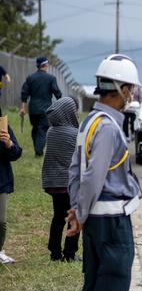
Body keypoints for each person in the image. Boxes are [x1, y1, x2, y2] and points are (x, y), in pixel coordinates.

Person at [65, 54, 142, 291]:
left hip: (96, 218)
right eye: (131, 89)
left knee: (96, 279)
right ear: (121, 89)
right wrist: (79, 214)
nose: (133, 96)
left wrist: (77, 209)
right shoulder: (109, 127)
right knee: (113, 279)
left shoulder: (90, 121)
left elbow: (75, 171)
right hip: (111, 219)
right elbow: (94, 175)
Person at [41, 97, 81, 261]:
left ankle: (55, 253)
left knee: (58, 217)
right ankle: (70, 254)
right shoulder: (75, 133)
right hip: (71, 183)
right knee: (75, 217)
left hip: (54, 183)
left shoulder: (51, 132)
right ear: (69, 113)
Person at [19, 56, 62, 156]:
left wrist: (22, 107)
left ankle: (37, 147)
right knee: (43, 129)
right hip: (46, 109)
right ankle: (38, 151)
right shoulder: (51, 78)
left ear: (37, 66)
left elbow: (24, 93)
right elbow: (57, 93)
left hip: (33, 109)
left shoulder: (30, 78)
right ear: (46, 65)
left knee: (35, 128)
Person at [0, 115, 23, 264]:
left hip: (1, 181)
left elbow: (16, 153)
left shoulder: (3, 127)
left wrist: (9, 143)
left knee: (1, 221)